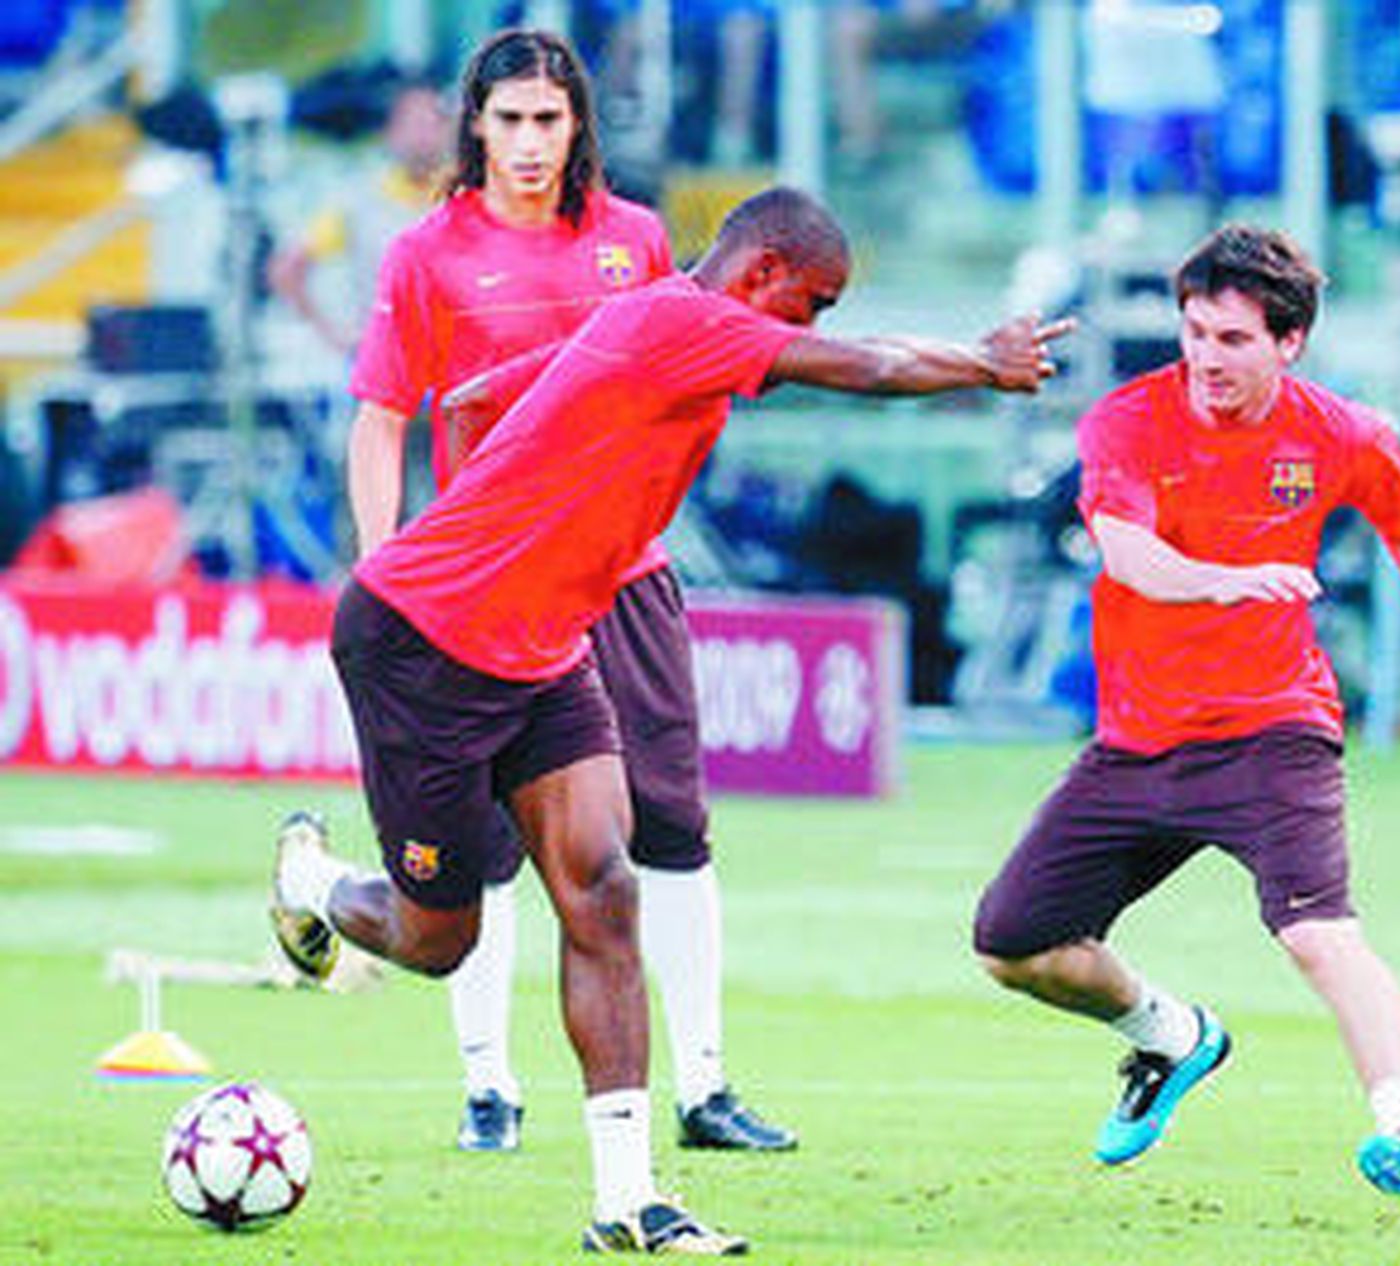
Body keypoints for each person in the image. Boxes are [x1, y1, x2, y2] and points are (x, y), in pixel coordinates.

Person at [271, 183, 1066, 1252]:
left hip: (544, 654)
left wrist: (520, 531)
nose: (812, 330)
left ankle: (626, 1203)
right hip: (424, 647)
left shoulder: (631, 324)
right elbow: (872, 368)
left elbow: (470, 407)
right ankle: (310, 881)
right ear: (763, 275)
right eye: (813, 303)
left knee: (604, 892)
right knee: (437, 940)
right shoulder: (686, 319)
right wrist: (983, 361)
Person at [971, 223, 1400, 1230]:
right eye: (1195, 332)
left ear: (1287, 343)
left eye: (1233, 339)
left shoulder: (1343, 434)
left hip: (1272, 730)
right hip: (1136, 743)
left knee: (1318, 936)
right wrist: (1234, 580)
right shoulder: (1127, 420)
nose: (1205, 357)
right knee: (1010, 944)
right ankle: (1170, 1035)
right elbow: (1125, 554)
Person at [298, 28, 788, 1157]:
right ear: (476, 125)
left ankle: (705, 1088)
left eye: (548, 120)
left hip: (624, 582)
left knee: (671, 823)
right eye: (509, 120)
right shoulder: (427, 254)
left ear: (579, 128)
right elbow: (382, 418)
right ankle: (489, 1087)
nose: (528, 142)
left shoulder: (636, 239)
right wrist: (384, 560)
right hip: (488, 593)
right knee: (485, 849)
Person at [267, 78, 453, 357]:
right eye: (412, 124)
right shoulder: (358, 201)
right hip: (385, 367)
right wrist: (333, 335)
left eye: (433, 124)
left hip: (458, 369)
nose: (423, 136)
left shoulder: (472, 199)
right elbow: (285, 270)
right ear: (389, 132)